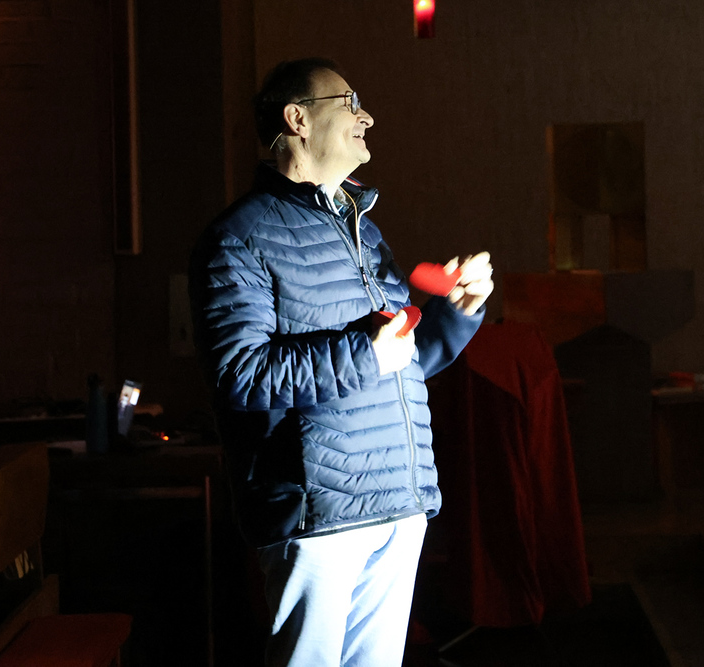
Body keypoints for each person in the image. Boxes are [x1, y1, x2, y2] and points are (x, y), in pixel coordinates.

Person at [188, 58, 494, 667]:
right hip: (318, 512)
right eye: (350, 102)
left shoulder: (363, 231)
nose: (367, 116)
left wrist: (457, 312)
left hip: (397, 499)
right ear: (297, 119)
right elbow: (241, 375)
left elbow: (401, 360)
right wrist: (365, 352)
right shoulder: (240, 238)